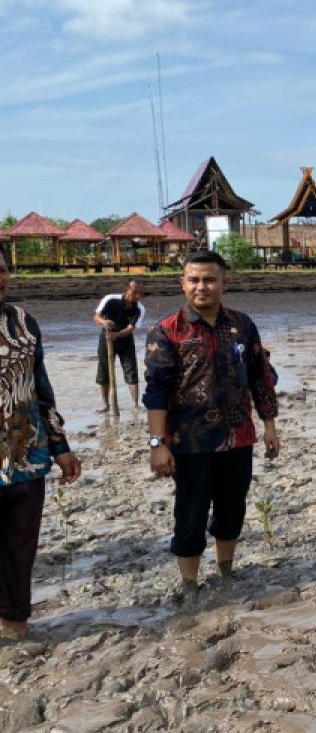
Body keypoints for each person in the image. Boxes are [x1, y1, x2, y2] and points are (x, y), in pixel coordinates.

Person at [143, 250, 280, 601]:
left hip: (238, 436)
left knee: (233, 505)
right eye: (194, 279)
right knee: (191, 510)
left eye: (209, 279)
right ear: (182, 283)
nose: (201, 287)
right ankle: (190, 583)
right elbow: (156, 391)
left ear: (224, 283)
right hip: (189, 441)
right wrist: (158, 443)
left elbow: (261, 377)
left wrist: (269, 424)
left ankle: (226, 569)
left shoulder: (242, 325)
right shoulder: (166, 331)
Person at [0, 252, 82, 639]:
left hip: (24, 456)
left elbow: (42, 389)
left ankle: (15, 624)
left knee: (20, 548)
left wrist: (59, 445)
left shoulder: (23, 322)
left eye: (1, 270)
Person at [94, 278, 146, 411]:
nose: (137, 296)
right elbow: (97, 317)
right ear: (126, 290)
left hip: (126, 340)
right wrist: (104, 322)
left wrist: (116, 335)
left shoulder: (139, 308)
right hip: (106, 339)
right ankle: (105, 405)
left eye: (140, 293)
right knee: (104, 370)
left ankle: (135, 405)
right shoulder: (110, 300)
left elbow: (130, 329)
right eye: (135, 292)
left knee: (131, 369)